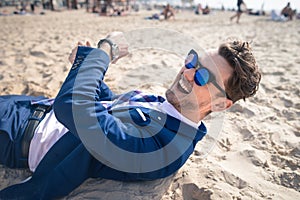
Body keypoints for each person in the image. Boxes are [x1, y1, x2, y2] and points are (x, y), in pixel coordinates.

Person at [0, 32, 261, 199]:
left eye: (203, 77)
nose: (188, 73)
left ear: (220, 104)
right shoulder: (169, 108)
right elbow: (112, 105)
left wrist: (104, 52)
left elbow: (75, 109)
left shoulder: (162, 149)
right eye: (193, 61)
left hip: (17, 134)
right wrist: (84, 65)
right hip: (29, 107)